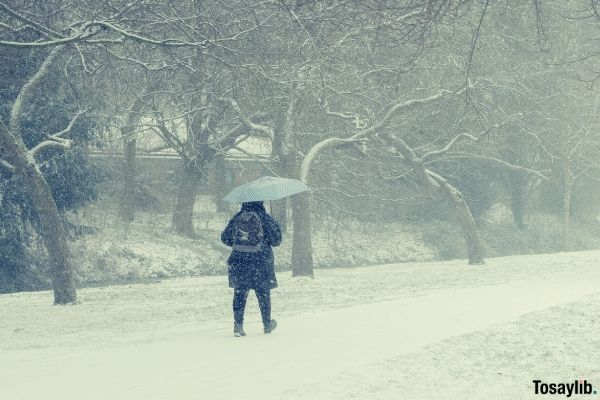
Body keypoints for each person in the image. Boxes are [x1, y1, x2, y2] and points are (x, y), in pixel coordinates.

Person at [221, 201, 282, 337]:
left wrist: (240, 244)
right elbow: (277, 240)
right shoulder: (265, 218)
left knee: (240, 293)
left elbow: (225, 238)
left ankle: (238, 325)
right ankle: (267, 324)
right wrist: (275, 225)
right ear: (261, 203)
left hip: (239, 261)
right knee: (263, 293)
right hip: (261, 261)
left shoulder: (237, 218)